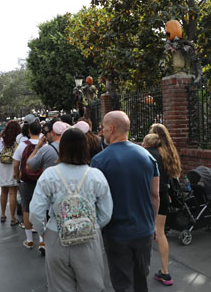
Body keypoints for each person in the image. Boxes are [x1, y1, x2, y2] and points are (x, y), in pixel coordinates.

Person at [29, 128, 113, 291]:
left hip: (56, 235)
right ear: (85, 147)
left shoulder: (49, 175)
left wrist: (44, 232)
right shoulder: (96, 175)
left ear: (62, 148)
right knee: (92, 285)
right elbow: (106, 213)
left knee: (60, 286)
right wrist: (92, 226)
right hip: (88, 237)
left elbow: (35, 212)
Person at [91, 111, 160, 292]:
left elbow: (94, 199)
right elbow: (155, 195)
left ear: (111, 128)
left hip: (116, 232)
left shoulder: (99, 161)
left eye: (103, 127)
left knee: (122, 283)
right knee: (141, 281)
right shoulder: (147, 157)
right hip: (144, 230)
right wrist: (151, 223)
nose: (102, 131)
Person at [145, 123, 182, 286]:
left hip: (149, 196)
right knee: (160, 233)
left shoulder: (147, 153)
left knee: (144, 232)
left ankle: (140, 269)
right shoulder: (168, 153)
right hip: (164, 196)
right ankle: (165, 272)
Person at [13, 120, 43, 251]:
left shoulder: (22, 145)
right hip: (42, 180)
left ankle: (29, 240)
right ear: (41, 131)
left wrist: (17, 177)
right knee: (43, 208)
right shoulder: (45, 145)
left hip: (26, 180)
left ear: (29, 131)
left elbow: (15, 164)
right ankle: (42, 240)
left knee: (26, 208)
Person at [0, 120, 21, 225]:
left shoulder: (0, 139)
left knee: (3, 191)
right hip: (14, 165)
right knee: (13, 192)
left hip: (2, 166)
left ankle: (3, 214)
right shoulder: (18, 139)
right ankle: (13, 218)